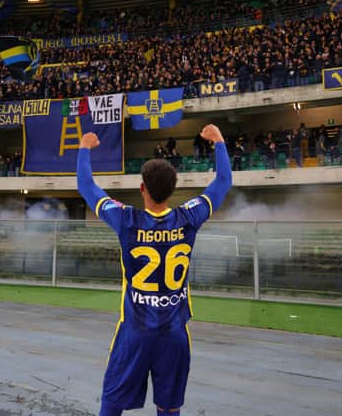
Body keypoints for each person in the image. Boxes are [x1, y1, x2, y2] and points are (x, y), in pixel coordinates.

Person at [77, 124, 232, 416]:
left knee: (112, 401)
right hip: (174, 334)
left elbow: (87, 187)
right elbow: (223, 181)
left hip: (134, 332)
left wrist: (84, 147)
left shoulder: (126, 220)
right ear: (173, 191)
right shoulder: (189, 217)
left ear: (142, 188)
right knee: (169, 407)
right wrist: (219, 142)